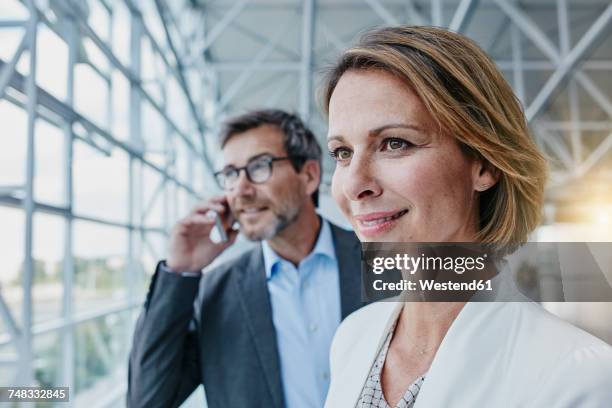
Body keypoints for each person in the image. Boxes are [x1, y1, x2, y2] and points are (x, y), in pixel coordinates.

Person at [322, 26, 612, 407]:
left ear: (484, 165)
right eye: (342, 152)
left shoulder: (577, 376)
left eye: (395, 143)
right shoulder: (353, 338)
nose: (355, 184)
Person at [128, 109, 363, 408]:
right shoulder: (213, 293)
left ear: (309, 176)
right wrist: (179, 271)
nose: (240, 189)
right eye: (230, 174)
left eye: (259, 166)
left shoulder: (386, 261)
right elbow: (147, 401)